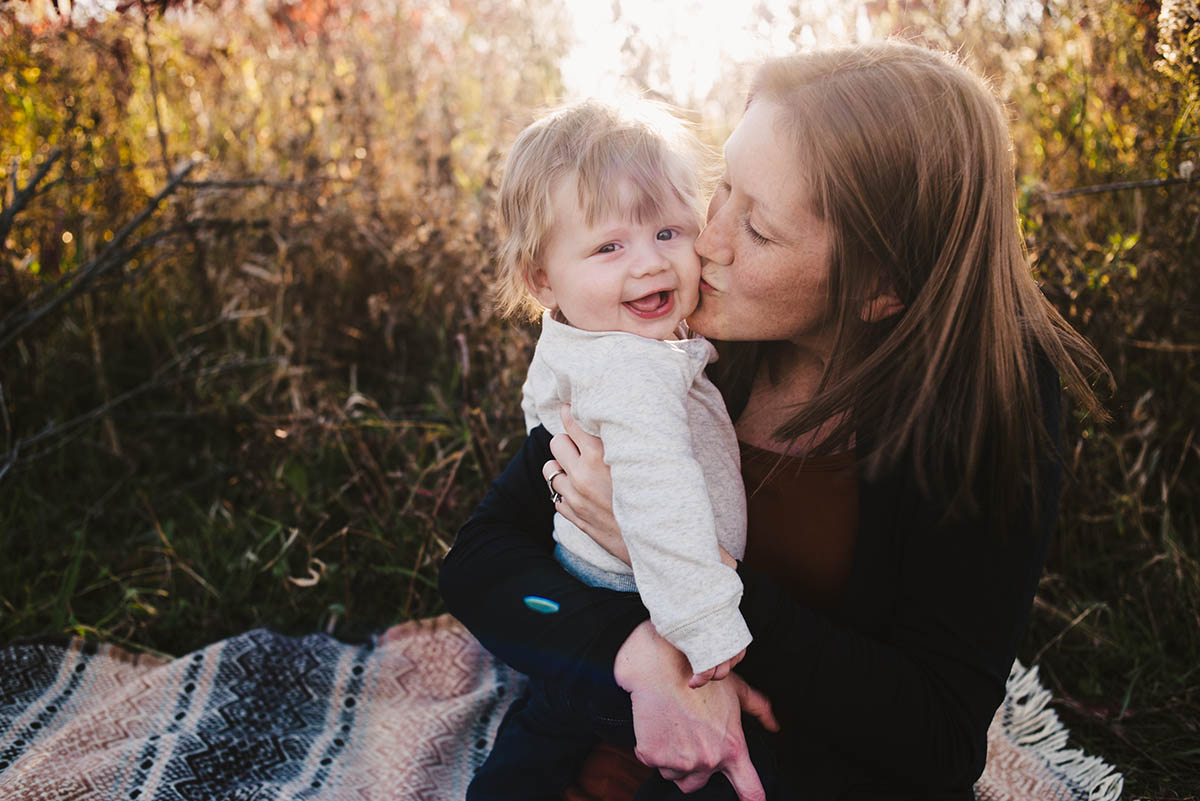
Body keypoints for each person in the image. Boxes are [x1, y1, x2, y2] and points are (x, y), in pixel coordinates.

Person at [440, 41, 1109, 801]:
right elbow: (483, 560)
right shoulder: (671, 334)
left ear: (880, 286)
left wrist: (693, 572)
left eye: (758, 229)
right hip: (608, 723)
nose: (705, 240)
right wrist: (635, 651)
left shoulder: (992, 399)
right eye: (723, 187)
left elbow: (939, 737)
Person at [465, 99, 759, 801]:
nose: (649, 263)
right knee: (600, 745)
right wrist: (710, 629)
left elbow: (544, 402)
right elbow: (661, 498)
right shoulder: (632, 371)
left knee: (541, 737)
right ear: (543, 280)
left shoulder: (586, 342)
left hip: (606, 606)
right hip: (642, 611)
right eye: (609, 246)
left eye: (667, 230)